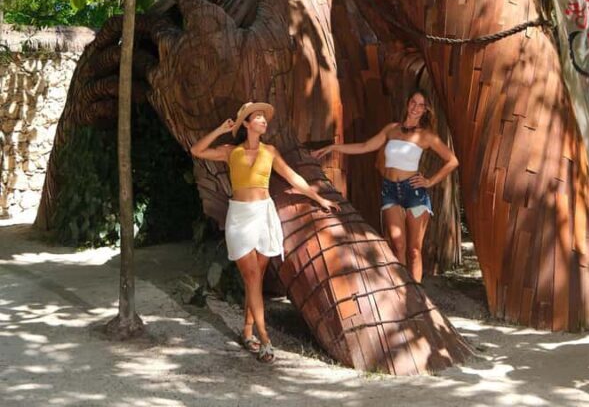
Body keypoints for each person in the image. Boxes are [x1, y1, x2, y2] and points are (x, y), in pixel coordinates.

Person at [190, 101, 338, 363]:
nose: (263, 121)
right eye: (257, 117)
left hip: (264, 215)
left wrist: (320, 199)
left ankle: (247, 332)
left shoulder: (270, 151)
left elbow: (294, 178)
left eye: (263, 118)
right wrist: (220, 129)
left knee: (254, 280)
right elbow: (197, 150)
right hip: (239, 217)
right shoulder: (229, 151)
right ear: (246, 124)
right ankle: (265, 338)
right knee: (251, 276)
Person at [313, 90, 458, 283]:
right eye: (413, 102)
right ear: (408, 104)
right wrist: (333, 148)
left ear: (426, 110)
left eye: (421, 105)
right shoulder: (392, 129)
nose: (415, 107)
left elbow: (452, 160)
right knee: (398, 244)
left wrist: (429, 181)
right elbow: (365, 146)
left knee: (414, 250)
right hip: (390, 191)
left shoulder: (426, 136)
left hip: (414, 192)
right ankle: (403, 289)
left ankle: (417, 297)